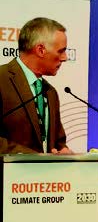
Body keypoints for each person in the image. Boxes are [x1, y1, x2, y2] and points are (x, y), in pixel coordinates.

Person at [0, 17, 73, 155]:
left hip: (47, 176)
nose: (65, 57)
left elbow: (58, 141)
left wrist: (63, 150)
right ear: (40, 50)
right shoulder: (2, 80)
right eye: (61, 51)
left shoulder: (50, 92)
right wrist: (30, 156)